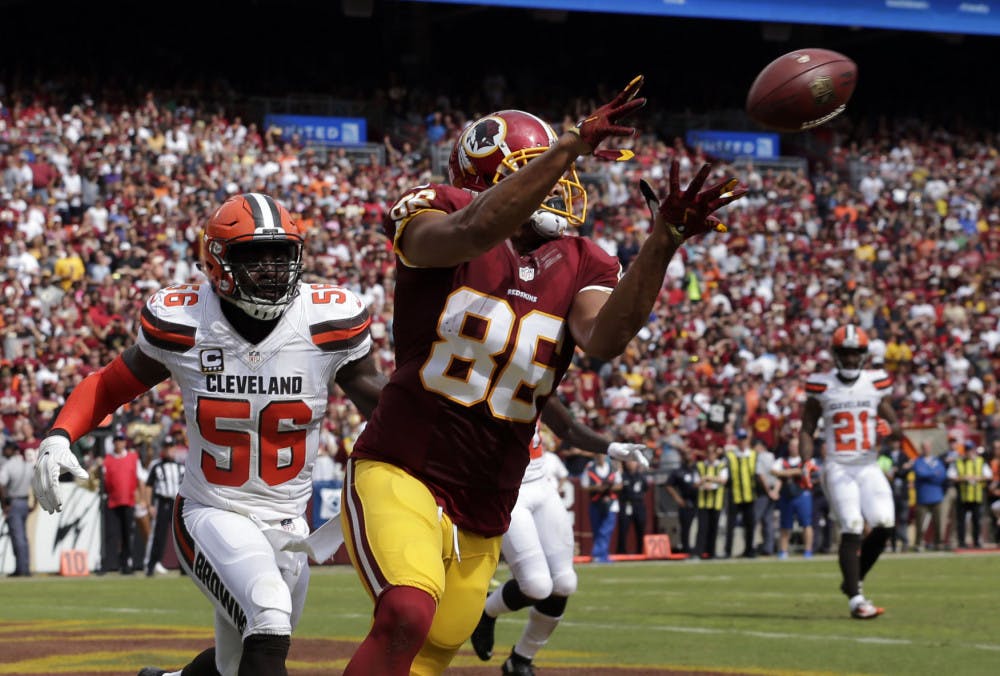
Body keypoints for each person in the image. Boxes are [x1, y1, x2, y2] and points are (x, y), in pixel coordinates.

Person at [339, 76, 745, 675]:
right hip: (404, 465)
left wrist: (663, 240)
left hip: (490, 492)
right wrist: (570, 146)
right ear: (484, 175)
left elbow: (604, 338)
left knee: (431, 654)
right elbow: (473, 232)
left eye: (559, 169)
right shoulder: (436, 208)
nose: (561, 182)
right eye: (538, 168)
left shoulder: (582, 258)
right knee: (405, 613)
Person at [32, 192, 387, 676]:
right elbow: (108, 385)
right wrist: (58, 435)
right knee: (268, 619)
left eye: (280, 254)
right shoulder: (186, 319)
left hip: (288, 522)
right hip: (212, 510)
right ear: (216, 261)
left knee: (235, 663)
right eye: (252, 255)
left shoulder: (328, 321)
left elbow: (384, 406)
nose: (270, 268)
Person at [470, 397, 648, 675]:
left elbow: (567, 427)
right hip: (505, 491)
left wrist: (611, 447)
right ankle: (486, 610)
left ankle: (521, 660)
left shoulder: (533, 375)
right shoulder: (480, 383)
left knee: (564, 583)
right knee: (537, 586)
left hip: (540, 483)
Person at [799, 324, 900, 620]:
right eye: (846, 352)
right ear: (835, 354)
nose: (852, 358)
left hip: (868, 465)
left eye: (856, 353)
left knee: (884, 524)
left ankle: (851, 581)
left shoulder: (876, 382)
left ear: (865, 355)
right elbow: (807, 428)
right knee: (852, 526)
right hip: (839, 466)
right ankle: (856, 599)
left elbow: (896, 427)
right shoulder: (822, 384)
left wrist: (889, 429)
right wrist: (805, 461)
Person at [101, 432, 146, 575]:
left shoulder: (133, 458)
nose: (118, 443)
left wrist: (143, 499)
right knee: (111, 534)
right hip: (112, 501)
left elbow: (140, 479)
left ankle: (126, 563)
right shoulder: (107, 460)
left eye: (121, 440)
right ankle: (109, 563)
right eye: (116, 440)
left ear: (124, 443)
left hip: (128, 500)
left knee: (127, 534)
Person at [144, 435, 185, 576]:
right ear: (163, 449)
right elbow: (148, 486)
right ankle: (151, 566)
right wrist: (149, 505)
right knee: (158, 536)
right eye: (167, 448)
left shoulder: (181, 467)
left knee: (181, 535)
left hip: (178, 503)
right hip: (163, 502)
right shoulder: (157, 467)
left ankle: (184, 567)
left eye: (171, 447)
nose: (169, 451)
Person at [771, 436, 816, 559]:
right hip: (787, 496)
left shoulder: (806, 460)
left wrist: (786, 473)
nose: (794, 448)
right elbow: (774, 471)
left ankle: (808, 550)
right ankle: (783, 551)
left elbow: (807, 471)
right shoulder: (782, 460)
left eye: (796, 446)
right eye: (792, 446)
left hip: (802, 494)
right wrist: (794, 471)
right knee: (785, 526)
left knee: (806, 524)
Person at [948, 444, 992, 549]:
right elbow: (950, 475)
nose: (969, 452)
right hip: (963, 495)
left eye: (970, 450)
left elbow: (988, 475)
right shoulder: (959, 461)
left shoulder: (980, 461)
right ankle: (961, 542)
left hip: (976, 496)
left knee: (976, 520)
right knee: (961, 521)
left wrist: (977, 478)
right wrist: (964, 478)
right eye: (967, 450)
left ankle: (976, 541)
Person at [581, 452, 622, 564]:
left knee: (605, 530)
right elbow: (584, 486)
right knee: (597, 530)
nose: (600, 457)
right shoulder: (590, 467)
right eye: (598, 455)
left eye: (602, 455)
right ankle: (603, 555)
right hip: (595, 502)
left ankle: (597, 554)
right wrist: (596, 488)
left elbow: (619, 484)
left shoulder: (612, 467)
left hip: (610, 503)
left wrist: (608, 487)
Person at [0, 441, 32, 577]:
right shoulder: (28, 465)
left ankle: (22, 569)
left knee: (17, 537)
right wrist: (34, 503)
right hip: (25, 502)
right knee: (23, 537)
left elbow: (1, 484)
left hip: (13, 502)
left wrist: (4, 504)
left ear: (11, 450)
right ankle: (24, 566)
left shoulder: (9, 465)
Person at [723, 436, 758, 558]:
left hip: (749, 495)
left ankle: (749, 550)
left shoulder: (753, 455)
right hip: (735, 494)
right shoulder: (731, 455)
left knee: (750, 525)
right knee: (730, 525)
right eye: (740, 439)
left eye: (744, 439)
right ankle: (728, 551)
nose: (742, 442)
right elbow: (724, 473)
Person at [912, 439, 949, 551]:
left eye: (928, 447)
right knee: (920, 523)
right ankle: (918, 543)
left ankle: (939, 543)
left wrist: (929, 474)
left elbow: (942, 475)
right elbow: (920, 473)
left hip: (937, 496)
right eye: (924, 447)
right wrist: (933, 473)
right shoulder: (918, 461)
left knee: (938, 522)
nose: (926, 449)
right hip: (923, 496)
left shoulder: (936, 461)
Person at [694, 442, 728, 559]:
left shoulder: (721, 465)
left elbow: (723, 480)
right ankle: (699, 553)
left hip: (716, 501)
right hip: (703, 501)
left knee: (713, 528)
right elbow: (696, 482)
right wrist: (704, 483)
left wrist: (708, 478)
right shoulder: (700, 465)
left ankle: (711, 553)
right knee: (702, 528)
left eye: (712, 453)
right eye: (708, 453)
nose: (710, 455)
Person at [665, 445, 699, 555]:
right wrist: (677, 498)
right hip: (686, 502)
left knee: (700, 527)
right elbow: (668, 485)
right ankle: (687, 550)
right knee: (686, 528)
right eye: (685, 454)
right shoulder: (678, 471)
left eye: (689, 453)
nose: (688, 456)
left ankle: (698, 549)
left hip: (700, 501)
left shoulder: (698, 468)